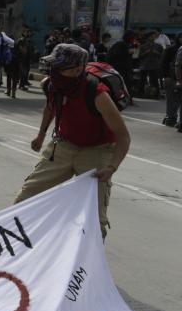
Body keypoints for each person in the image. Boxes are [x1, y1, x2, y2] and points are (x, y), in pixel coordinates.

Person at [13, 44, 130, 239]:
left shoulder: (97, 94)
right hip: (64, 145)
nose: (54, 72)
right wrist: (41, 134)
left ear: (77, 70)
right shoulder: (53, 84)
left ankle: (88, 265)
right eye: (54, 67)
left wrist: (111, 167)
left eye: (60, 68)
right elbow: (51, 107)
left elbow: (123, 135)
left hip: (97, 151)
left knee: (94, 222)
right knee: (25, 199)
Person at [162, 33, 181, 127]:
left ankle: (171, 117)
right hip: (171, 78)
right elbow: (164, 63)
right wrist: (166, 76)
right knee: (171, 99)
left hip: (177, 77)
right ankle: (171, 117)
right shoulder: (171, 49)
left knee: (177, 100)